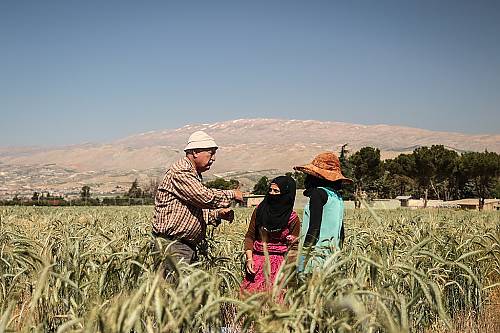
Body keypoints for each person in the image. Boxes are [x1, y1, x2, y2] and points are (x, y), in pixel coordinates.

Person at [152, 130, 244, 278]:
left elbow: (193, 210)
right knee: (172, 294)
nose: (213, 159)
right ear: (195, 152)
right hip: (173, 245)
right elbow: (204, 197)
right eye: (211, 153)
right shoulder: (181, 171)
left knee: (182, 295)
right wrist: (232, 194)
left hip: (182, 245)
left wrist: (217, 214)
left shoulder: (193, 174)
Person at [240, 175, 300, 295]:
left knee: (276, 302)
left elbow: (294, 248)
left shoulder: (292, 218)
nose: (272, 194)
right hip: (257, 263)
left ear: (286, 194)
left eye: (276, 191)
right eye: (270, 190)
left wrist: (289, 274)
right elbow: (250, 236)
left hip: (279, 266)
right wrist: (249, 259)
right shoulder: (259, 211)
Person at [293, 152, 352, 272]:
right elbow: (341, 232)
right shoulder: (337, 197)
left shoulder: (318, 194)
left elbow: (314, 228)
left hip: (315, 258)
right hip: (330, 259)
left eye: (308, 176)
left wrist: (303, 257)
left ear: (315, 178)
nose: (306, 180)